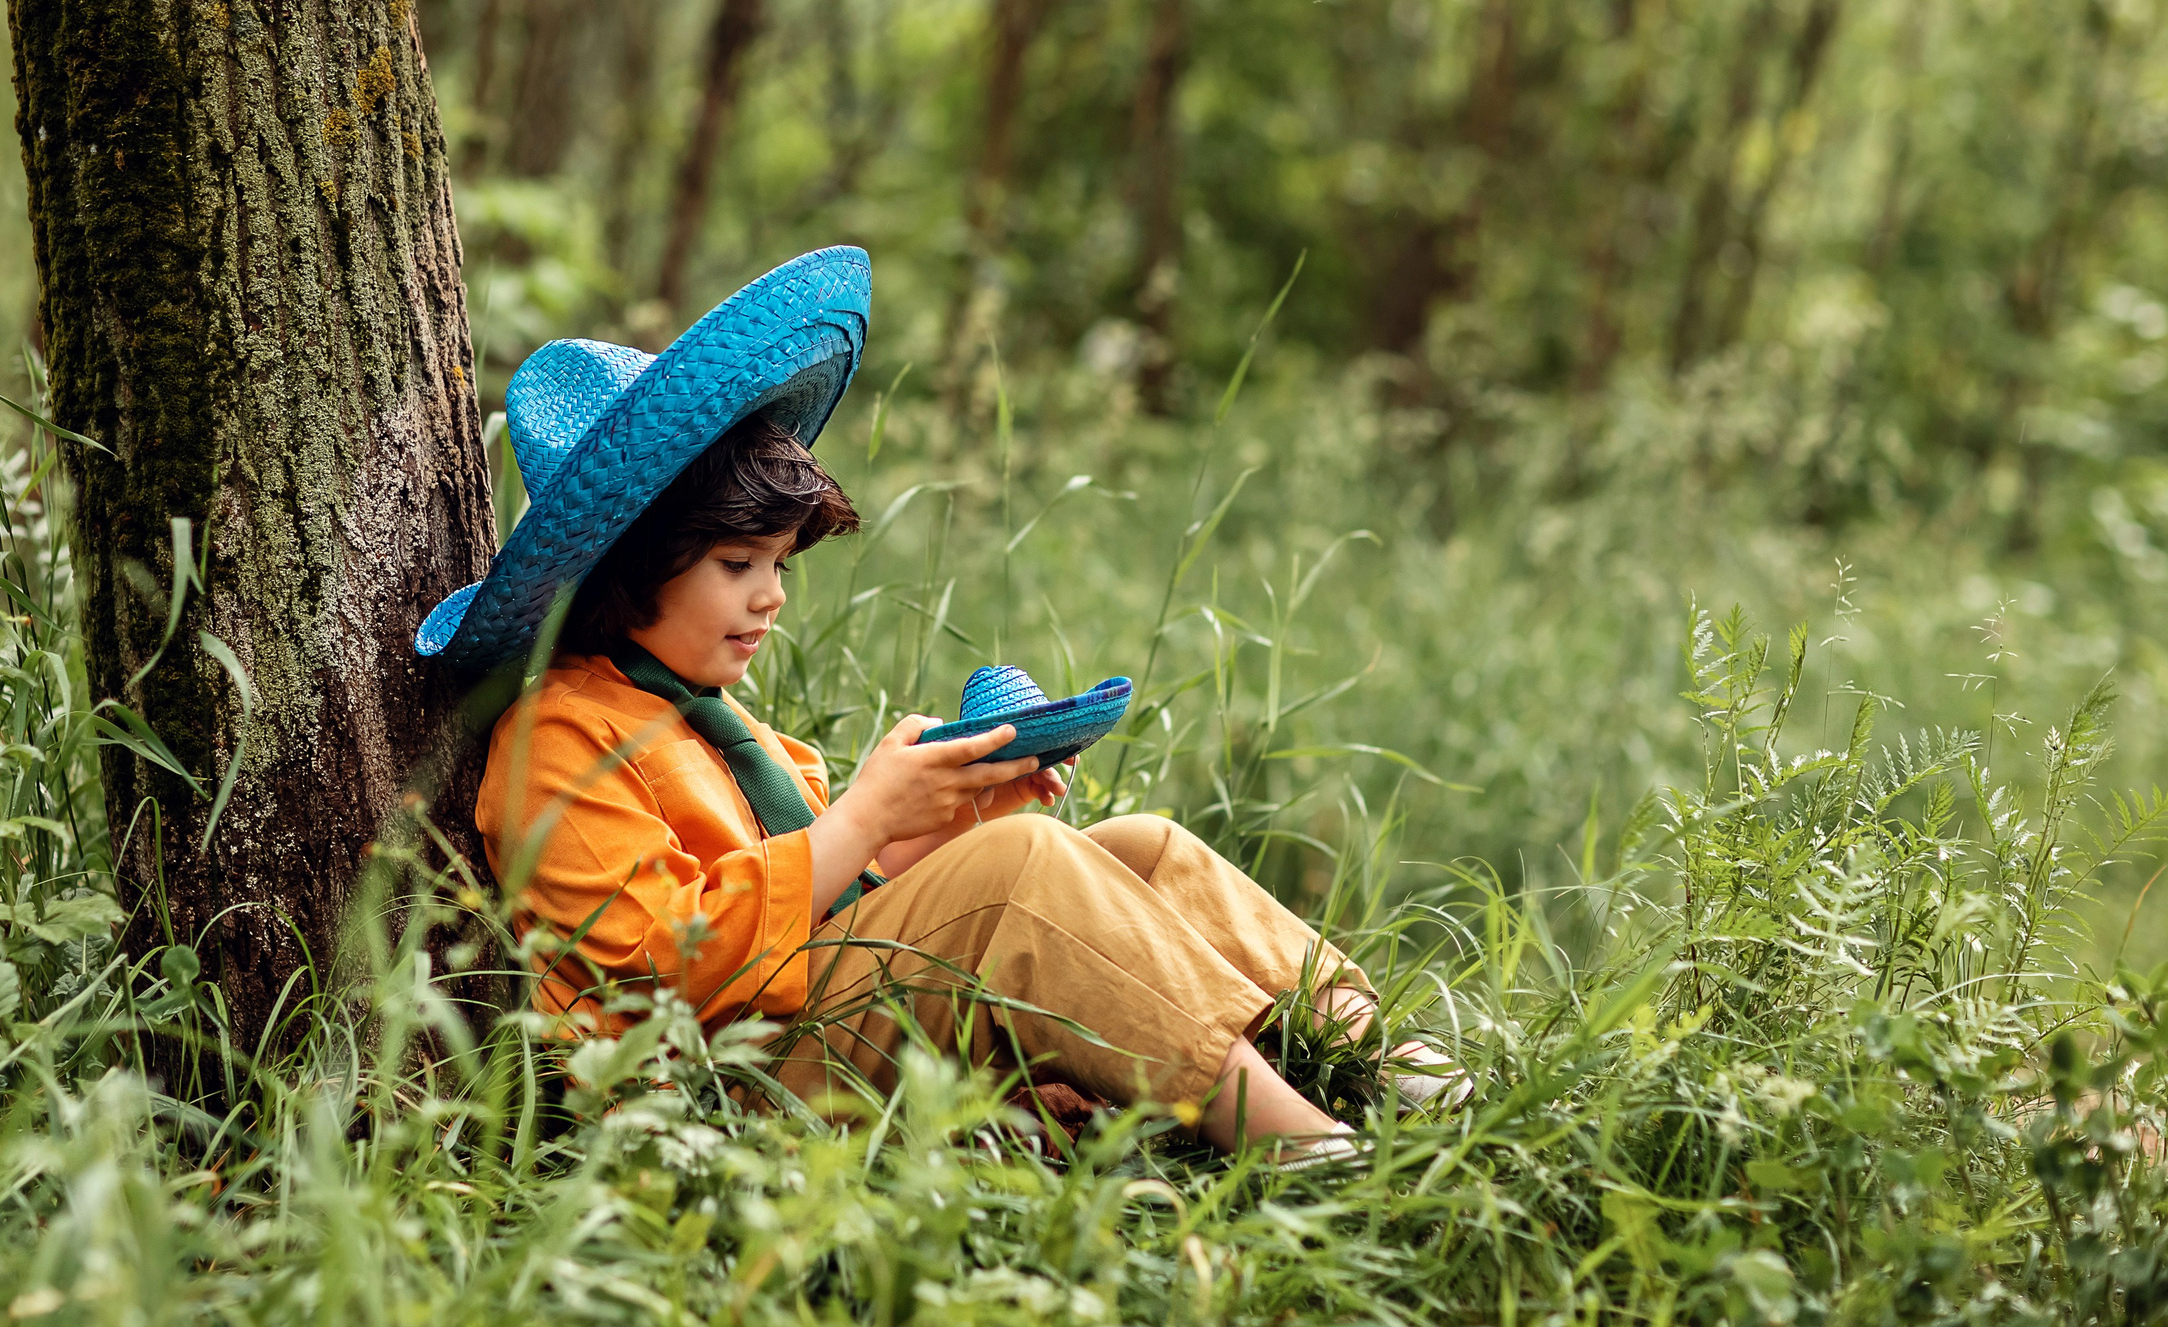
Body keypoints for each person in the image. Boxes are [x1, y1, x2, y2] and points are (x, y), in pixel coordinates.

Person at [420, 249, 1466, 1165]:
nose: (771, 594)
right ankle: (1301, 1145)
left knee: (1135, 843)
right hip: (718, 1081)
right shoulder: (559, 735)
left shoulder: (728, 736)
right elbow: (665, 961)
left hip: (809, 1021)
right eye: (737, 563)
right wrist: (864, 819)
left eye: (780, 564)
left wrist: (941, 821)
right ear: (620, 571)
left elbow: (834, 911)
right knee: (1022, 872)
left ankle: (1373, 1054)